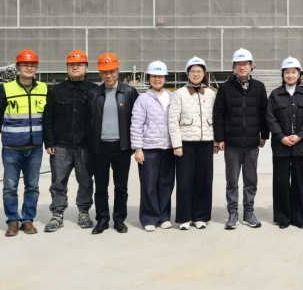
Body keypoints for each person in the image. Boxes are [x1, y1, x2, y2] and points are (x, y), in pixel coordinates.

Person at [0, 49, 47, 237]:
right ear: (18, 67)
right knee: (10, 187)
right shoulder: (6, 89)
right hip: (11, 148)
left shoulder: (44, 89)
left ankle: (28, 219)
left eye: (32, 65)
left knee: (32, 186)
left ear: (36, 68)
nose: (29, 68)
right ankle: (13, 221)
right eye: (25, 65)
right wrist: (9, 132)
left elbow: (48, 116)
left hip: (35, 147)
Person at [41, 49, 97, 232]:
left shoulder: (94, 90)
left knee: (86, 181)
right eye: (72, 65)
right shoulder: (56, 90)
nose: (75, 67)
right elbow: (48, 117)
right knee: (58, 182)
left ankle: (84, 212)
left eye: (79, 64)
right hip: (61, 146)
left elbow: (98, 120)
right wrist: (49, 142)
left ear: (86, 67)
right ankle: (57, 214)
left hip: (85, 147)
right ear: (67, 67)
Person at [213, 48, 269, 230]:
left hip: (252, 143)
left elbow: (264, 112)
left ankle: (249, 212)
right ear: (234, 67)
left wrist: (264, 135)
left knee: (250, 180)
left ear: (251, 66)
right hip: (232, 143)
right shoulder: (225, 88)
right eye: (239, 64)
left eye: (245, 64)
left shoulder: (259, 87)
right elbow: (218, 114)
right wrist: (220, 138)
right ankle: (232, 212)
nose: (242, 67)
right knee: (232, 181)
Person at [86, 52, 139, 234]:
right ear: (100, 73)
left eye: (112, 71)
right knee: (101, 186)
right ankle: (102, 219)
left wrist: (134, 144)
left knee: (121, 186)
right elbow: (88, 122)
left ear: (118, 71)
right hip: (99, 147)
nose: (108, 76)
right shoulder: (94, 93)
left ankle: (119, 219)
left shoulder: (129, 92)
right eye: (104, 72)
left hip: (121, 147)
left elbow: (136, 119)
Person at [266, 57, 303, 229]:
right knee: (281, 181)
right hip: (281, 146)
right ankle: (283, 218)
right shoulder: (275, 95)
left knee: (300, 182)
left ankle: (300, 218)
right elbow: (270, 118)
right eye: (287, 72)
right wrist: (281, 136)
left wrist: (300, 135)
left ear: (299, 74)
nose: (290, 75)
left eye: (294, 72)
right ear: (282, 74)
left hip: (301, 145)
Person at [169, 57, 216, 230]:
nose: (196, 74)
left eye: (199, 71)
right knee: (184, 181)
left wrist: (215, 142)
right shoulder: (180, 93)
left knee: (204, 180)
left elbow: (217, 119)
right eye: (193, 71)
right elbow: (173, 120)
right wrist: (177, 144)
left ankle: (201, 216)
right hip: (185, 143)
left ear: (204, 74)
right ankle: (184, 217)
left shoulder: (211, 94)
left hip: (206, 143)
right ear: (188, 73)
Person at [130, 61, 177, 232]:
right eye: (154, 76)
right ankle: (149, 218)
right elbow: (136, 124)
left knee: (166, 184)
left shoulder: (173, 97)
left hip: (169, 148)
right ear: (149, 78)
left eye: (160, 76)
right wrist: (138, 149)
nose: (157, 79)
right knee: (149, 185)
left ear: (165, 78)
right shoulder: (143, 99)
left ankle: (164, 216)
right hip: (149, 148)